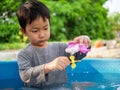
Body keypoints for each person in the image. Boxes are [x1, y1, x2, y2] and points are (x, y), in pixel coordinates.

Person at [16, 0, 91, 89]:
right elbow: (25, 75)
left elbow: (78, 56)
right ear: (24, 31)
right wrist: (48, 67)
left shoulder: (61, 48)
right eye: (35, 31)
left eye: (45, 28)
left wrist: (83, 44)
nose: (42, 34)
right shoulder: (24, 54)